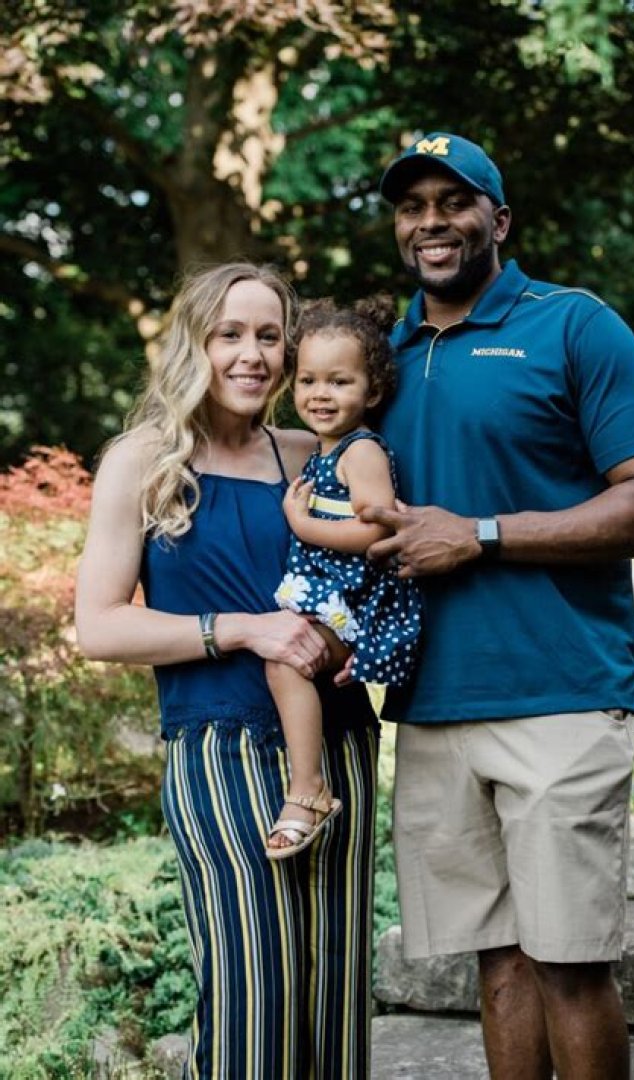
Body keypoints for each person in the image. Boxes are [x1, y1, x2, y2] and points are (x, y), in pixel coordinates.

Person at [362, 133, 634, 1080]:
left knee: (569, 965)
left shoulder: (574, 325)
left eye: (453, 202)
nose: (431, 222)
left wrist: (483, 534)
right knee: (497, 964)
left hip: (561, 693)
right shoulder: (381, 357)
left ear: (497, 220)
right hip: (432, 705)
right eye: (412, 206)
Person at [75, 262, 378, 1079]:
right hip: (219, 751)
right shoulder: (143, 462)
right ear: (193, 343)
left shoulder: (313, 455)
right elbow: (98, 625)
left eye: (269, 336)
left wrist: (360, 632)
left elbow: (372, 568)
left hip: (339, 748)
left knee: (337, 997)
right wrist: (245, 629)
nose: (252, 355)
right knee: (254, 1005)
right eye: (229, 335)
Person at [266, 297, 421, 859]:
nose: (320, 394)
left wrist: (303, 525)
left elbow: (377, 530)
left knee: (284, 661)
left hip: (355, 601)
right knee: (284, 662)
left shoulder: (362, 451)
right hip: (333, 593)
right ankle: (307, 783)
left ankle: (308, 790)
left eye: (339, 381)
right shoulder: (325, 451)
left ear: (372, 392)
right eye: (308, 380)